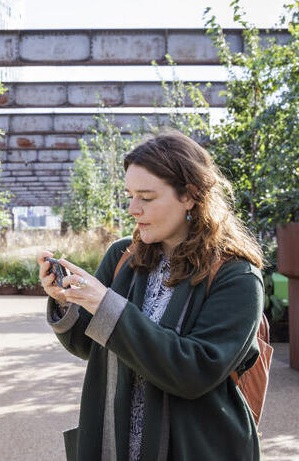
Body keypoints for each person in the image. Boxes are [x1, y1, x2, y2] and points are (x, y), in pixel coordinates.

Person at [38, 131, 265, 461]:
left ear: (189, 195)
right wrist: (65, 300)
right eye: (130, 195)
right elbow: (89, 344)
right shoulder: (122, 257)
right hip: (116, 445)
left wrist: (107, 306)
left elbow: (194, 372)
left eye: (146, 197)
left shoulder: (237, 276)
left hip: (197, 448)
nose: (132, 208)